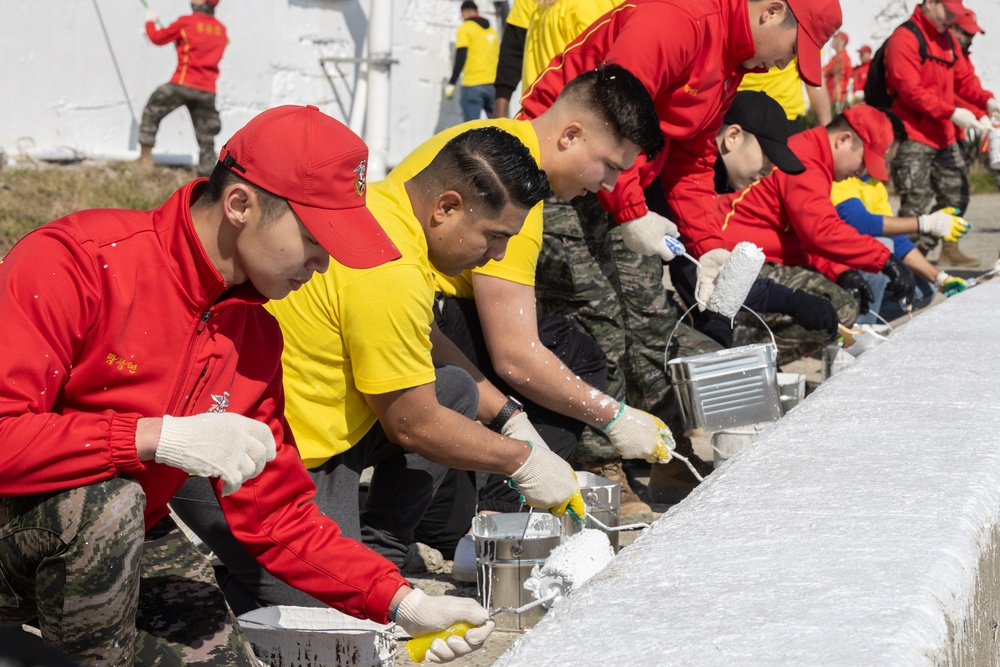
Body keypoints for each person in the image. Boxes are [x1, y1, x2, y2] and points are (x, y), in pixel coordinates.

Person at [0, 105, 497, 665]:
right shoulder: (79, 262)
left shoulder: (253, 332)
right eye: (315, 236)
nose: (324, 261)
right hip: (36, 526)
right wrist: (152, 438)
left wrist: (400, 601)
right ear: (240, 203)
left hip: (123, 535)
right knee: (109, 501)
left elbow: (275, 513)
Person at [172, 124, 586, 614]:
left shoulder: (388, 206)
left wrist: (509, 417)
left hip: (318, 432)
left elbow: (418, 340)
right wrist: (522, 460)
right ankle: (196, 594)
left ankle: (377, 551)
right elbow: (412, 425)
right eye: (494, 237)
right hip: (243, 457)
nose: (496, 256)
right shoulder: (392, 272)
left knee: (453, 390)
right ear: (447, 208)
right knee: (327, 607)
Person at [517, 0, 843, 501]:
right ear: (772, 11)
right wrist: (631, 209)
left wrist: (709, 247)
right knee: (595, 315)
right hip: (559, 169)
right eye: (792, 51)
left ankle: (662, 452)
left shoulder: (730, 66)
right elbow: (608, 112)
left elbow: (691, 161)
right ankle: (597, 463)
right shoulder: (677, 19)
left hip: (618, 187)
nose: (784, 67)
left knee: (651, 322)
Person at [374, 65, 669, 568]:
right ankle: (504, 521)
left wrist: (511, 420)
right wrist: (610, 416)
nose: (610, 184)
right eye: (610, 166)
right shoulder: (511, 187)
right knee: (573, 354)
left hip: (416, 312)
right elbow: (515, 357)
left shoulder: (493, 141)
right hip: (404, 311)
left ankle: (459, 520)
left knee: (447, 522)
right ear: (570, 135)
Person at [717, 104, 916, 362]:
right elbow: (820, 230)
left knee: (835, 300)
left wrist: (841, 271)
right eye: (864, 162)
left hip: (757, 255)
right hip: (732, 259)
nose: (861, 173)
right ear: (843, 140)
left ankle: (745, 350)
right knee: (839, 310)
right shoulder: (805, 160)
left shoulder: (812, 156)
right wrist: (885, 260)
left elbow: (802, 234)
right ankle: (739, 365)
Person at [662, 90, 842, 351]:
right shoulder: (683, 181)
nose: (768, 172)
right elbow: (691, 270)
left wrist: (720, 321)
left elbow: (697, 270)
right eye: (768, 158)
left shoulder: (708, 185)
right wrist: (789, 300)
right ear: (733, 137)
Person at [886, 0, 997, 268]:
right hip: (913, 134)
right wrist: (950, 112)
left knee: (956, 196)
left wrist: (987, 101)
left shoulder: (947, 39)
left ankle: (927, 253)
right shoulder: (904, 38)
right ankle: (904, 267)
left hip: (945, 135)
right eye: (947, 11)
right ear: (930, 3)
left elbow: (964, 80)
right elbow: (909, 90)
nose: (951, 18)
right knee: (915, 204)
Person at [831, 173, 969, 321]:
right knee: (882, 247)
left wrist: (940, 279)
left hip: (853, 264)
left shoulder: (873, 182)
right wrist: (926, 223)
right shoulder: (839, 177)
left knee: (924, 288)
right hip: (835, 267)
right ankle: (856, 330)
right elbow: (860, 222)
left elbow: (894, 237)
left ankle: (854, 318)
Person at [139, 0, 228, 176]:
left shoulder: (186, 22)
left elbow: (157, 38)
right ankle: (207, 178)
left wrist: (150, 20)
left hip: (183, 82)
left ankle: (145, 158)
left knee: (153, 109)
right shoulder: (221, 30)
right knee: (206, 137)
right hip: (207, 90)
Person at [491, 0, 619, 119]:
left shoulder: (586, 6)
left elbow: (603, 64)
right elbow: (513, 47)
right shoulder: (542, 7)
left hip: (570, 117)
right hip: (545, 113)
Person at [740, 58, 833, 134]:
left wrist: (827, 131)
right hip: (739, 114)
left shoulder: (802, 36)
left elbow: (813, 78)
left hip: (786, 119)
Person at [447, 1, 500, 122]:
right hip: (493, 85)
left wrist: (452, 82)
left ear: (464, 12)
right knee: (499, 128)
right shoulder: (492, 31)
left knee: (471, 129)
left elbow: (461, 56)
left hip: (473, 85)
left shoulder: (465, 28)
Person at [822, 31, 853, 109]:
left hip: (836, 101)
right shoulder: (837, 57)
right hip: (833, 99)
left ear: (842, 41)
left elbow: (823, 72)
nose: (832, 40)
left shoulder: (841, 58)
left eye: (836, 38)